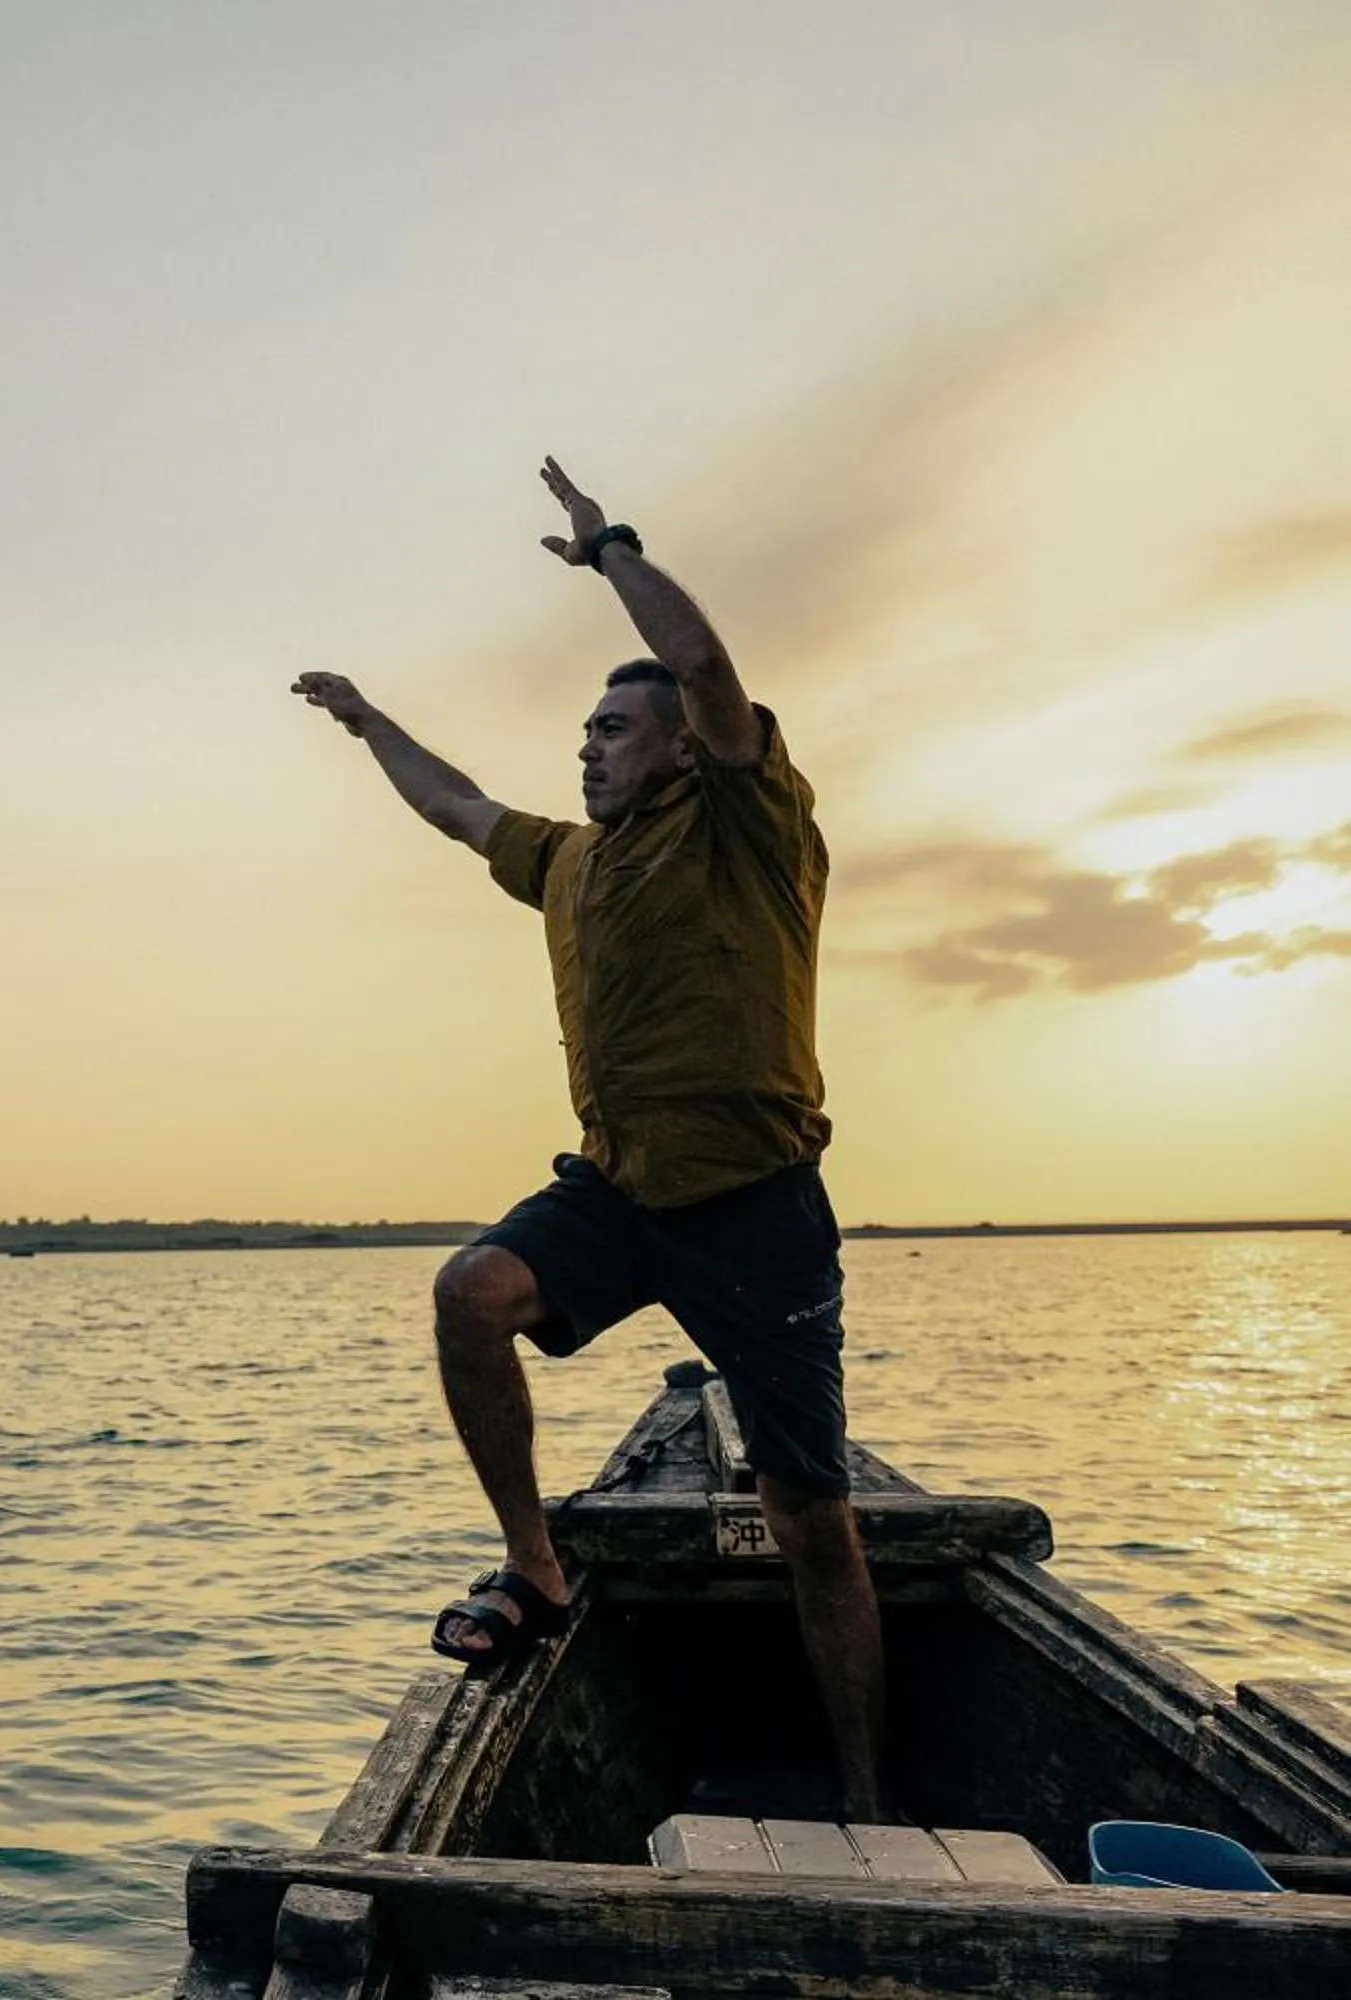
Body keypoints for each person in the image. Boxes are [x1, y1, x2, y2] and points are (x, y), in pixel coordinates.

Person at [289, 459, 885, 1821]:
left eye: (614, 727)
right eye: (586, 729)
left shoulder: (749, 821)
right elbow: (457, 806)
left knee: (813, 1521)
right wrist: (370, 721)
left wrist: (608, 545)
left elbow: (707, 664)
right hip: (619, 1195)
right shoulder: (568, 860)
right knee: (470, 1294)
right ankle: (537, 1568)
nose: (589, 745)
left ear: (680, 746)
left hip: (757, 1208)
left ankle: (866, 1798)